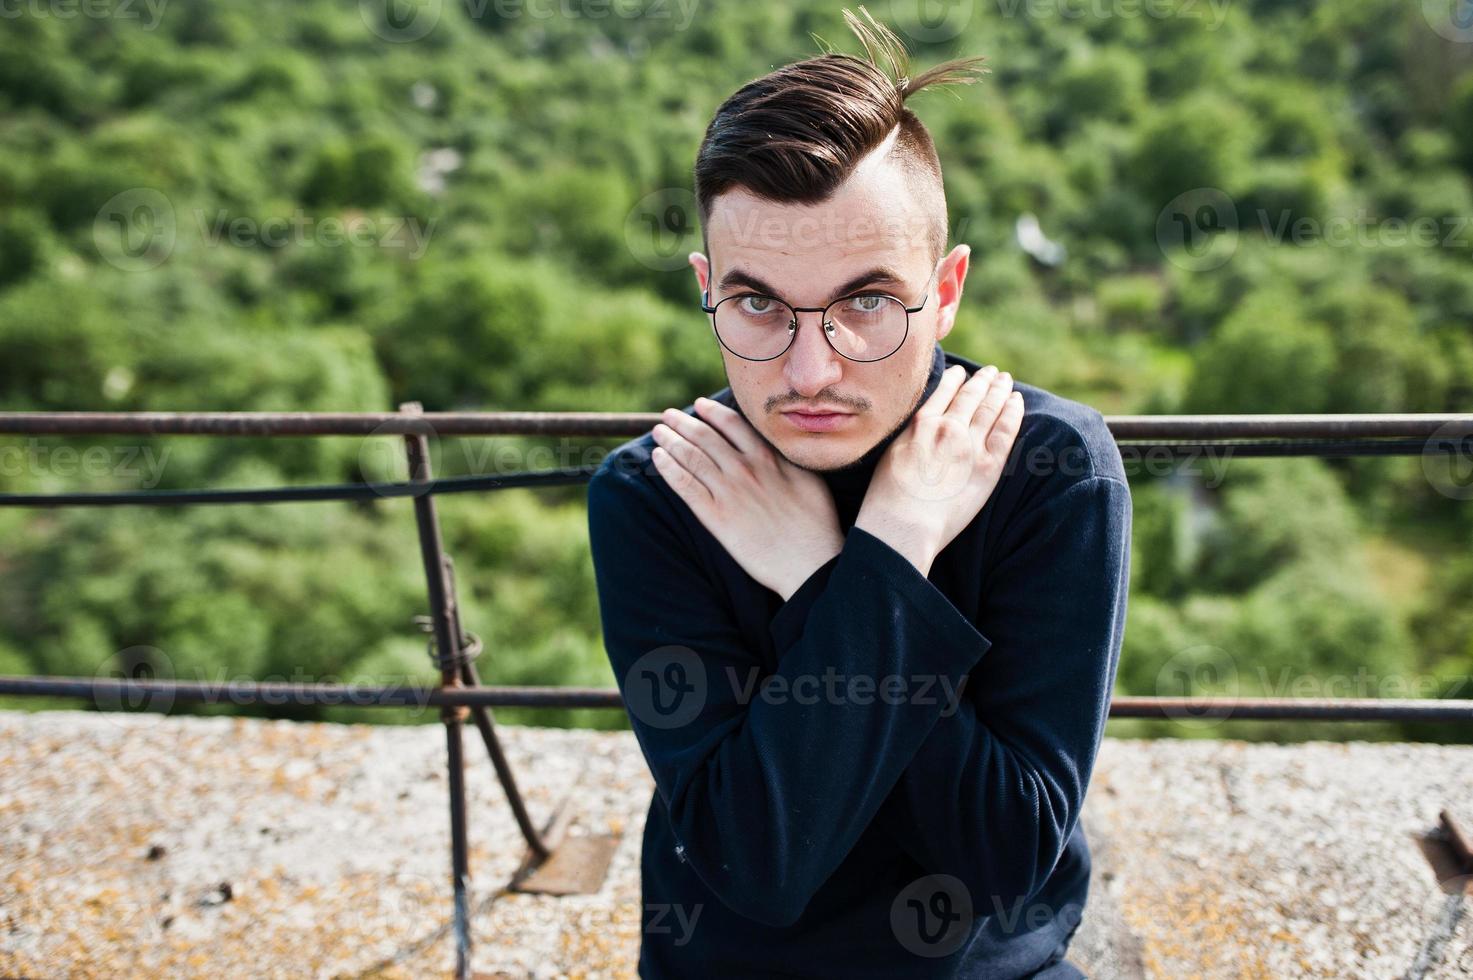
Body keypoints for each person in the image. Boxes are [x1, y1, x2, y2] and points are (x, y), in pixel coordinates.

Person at [586, 10, 1131, 977]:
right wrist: (873, 578)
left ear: (947, 287)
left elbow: (1006, 860)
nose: (808, 371)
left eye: (866, 302)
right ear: (705, 287)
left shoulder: (1049, 472)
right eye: (757, 304)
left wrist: (834, 574)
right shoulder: (658, 494)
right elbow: (753, 864)